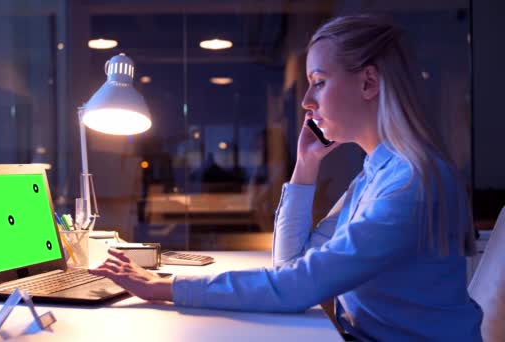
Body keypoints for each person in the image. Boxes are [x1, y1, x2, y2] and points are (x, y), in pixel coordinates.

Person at [90, 14, 483, 341]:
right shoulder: (376, 174)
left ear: (368, 83)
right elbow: (291, 265)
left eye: (320, 82)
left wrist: (165, 287)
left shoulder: (409, 182)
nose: (306, 101)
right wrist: (305, 167)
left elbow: (299, 285)